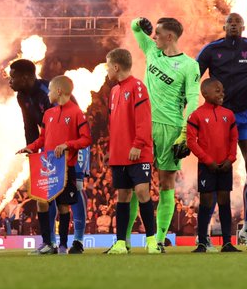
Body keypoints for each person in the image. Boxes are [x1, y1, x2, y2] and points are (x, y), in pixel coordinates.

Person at [196, 12, 247, 250]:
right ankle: (205, 235)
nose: (233, 26)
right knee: (216, 174)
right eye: (229, 23)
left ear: (243, 26)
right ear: (224, 26)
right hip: (220, 117)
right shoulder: (211, 50)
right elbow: (193, 78)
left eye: (237, 23)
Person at [129, 16, 201, 252]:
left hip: (171, 128)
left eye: (158, 33)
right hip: (143, 127)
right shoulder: (152, 51)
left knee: (166, 183)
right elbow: (134, 28)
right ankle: (125, 239)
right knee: (134, 182)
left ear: (169, 36)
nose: (154, 37)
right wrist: (140, 21)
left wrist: (184, 132)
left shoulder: (190, 65)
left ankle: (159, 239)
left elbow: (192, 98)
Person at [8, 59, 86, 251]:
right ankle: (49, 242)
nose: (10, 81)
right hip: (49, 145)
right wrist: (32, 153)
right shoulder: (21, 96)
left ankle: (77, 240)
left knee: (73, 190)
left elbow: (63, 127)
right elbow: (30, 126)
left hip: (73, 144)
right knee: (45, 191)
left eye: (13, 77)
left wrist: (63, 150)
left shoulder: (47, 93)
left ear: (25, 77)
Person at [103, 48, 159, 255]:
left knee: (143, 192)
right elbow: (115, 124)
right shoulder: (114, 91)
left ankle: (152, 240)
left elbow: (144, 120)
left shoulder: (138, 87)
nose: (106, 70)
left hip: (138, 152)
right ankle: (120, 243)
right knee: (123, 195)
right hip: (119, 154)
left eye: (108, 66)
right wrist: (111, 149)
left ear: (116, 66)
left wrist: (138, 144)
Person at [186, 78, 240, 253]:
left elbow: (234, 138)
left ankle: (227, 243)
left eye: (222, 90)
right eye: (217, 90)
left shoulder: (228, 114)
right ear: (205, 93)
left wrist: (230, 159)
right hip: (206, 167)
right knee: (206, 202)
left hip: (225, 165)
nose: (222, 93)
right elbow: (191, 141)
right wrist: (207, 161)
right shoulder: (196, 115)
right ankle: (202, 242)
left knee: (225, 201)